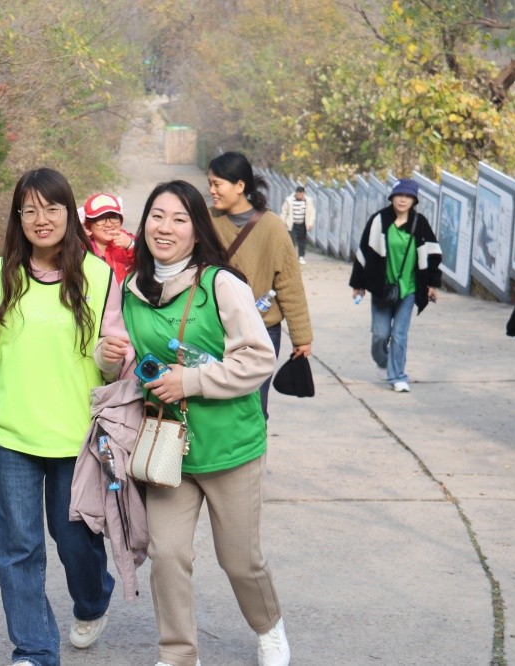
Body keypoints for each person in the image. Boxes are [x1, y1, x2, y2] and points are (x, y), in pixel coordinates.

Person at [0, 167, 133, 666]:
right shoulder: (2, 275)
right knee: (18, 548)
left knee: (75, 542)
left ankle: (93, 599)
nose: (40, 219)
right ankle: (34, 649)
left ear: (70, 214)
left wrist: (115, 355)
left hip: (75, 434)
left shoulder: (98, 276)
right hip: (15, 433)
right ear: (17, 218)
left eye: (51, 208)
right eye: (29, 210)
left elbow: (114, 355)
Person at [101, 180, 289, 666]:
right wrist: (108, 358)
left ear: (197, 230)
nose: (165, 228)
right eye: (157, 216)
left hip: (230, 446)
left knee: (240, 560)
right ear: (144, 225)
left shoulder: (220, 284)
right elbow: (125, 364)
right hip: (167, 446)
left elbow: (258, 358)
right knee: (167, 555)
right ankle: (178, 654)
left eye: (179, 219)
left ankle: (268, 626)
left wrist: (192, 381)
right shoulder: (131, 290)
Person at [208, 151, 313, 419]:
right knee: (215, 407)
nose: (211, 191)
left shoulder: (272, 227)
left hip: (261, 331)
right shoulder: (206, 222)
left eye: (217, 184)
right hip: (213, 329)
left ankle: (254, 447)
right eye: (210, 184)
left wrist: (301, 337)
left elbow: (289, 284)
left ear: (239, 186)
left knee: (255, 407)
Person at [350, 177, 442, 392]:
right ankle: (383, 362)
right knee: (380, 334)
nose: (403, 200)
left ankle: (398, 376)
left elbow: (433, 254)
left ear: (414, 200)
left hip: (409, 288)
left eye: (408, 196)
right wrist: (359, 284)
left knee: (399, 335)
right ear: (392, 197)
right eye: (399, 195)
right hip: (382, 287)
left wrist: (431, 284)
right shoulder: (379, 220)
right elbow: (364, 252)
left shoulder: (420, 223)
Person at [81, 192, 136, 283]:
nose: (109, 224)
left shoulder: (131, 241)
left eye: (114, 217)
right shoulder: (82, 248)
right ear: (88, 225)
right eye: (101, 219)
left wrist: (130, 245)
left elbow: (150, 263)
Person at [280, 185, 316, 264]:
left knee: (302, 241)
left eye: (301, 194)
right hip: (291, 224)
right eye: (298, 194)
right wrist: (282, 223)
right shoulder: (289, 200)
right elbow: (284, 212)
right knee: (291, 241)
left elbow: (312, 213)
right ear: (296, 193)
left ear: (304, 193)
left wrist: (310, 223)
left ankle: (301, 256)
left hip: (302, 224)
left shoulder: (308, 201)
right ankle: (291, 257)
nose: (300, 196)